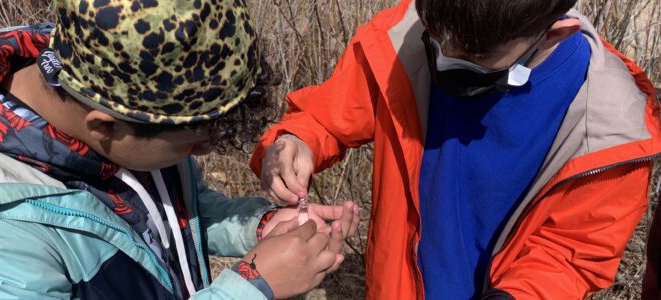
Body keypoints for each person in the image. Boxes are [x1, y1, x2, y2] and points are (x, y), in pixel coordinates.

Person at [0, 0, 359, 298]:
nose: (206, 150)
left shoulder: (109, 69)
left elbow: (160, 215)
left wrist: (257, 226)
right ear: (104, 126)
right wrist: (251, 288)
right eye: (195, 141)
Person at [252, 0, 661, 299]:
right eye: (435, 42)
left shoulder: (613, 127)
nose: (443, 60)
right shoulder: (403, 36)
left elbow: (572, 252)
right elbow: (328, 115)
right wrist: (294, 140)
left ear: (554, 33)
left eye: (473, 62)